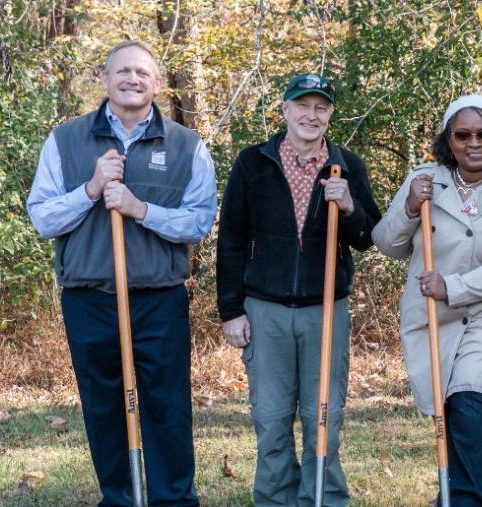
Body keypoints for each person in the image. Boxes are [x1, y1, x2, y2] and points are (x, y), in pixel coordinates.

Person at [24, 40, 216, 506]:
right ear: (104, 79)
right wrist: (90, 188)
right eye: (123, 71)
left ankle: (173, 500)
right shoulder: (65, 140)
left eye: (143, 73)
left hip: (159, 297)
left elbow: (199, 222)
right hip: (90, 297)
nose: (133, 79)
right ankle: (120, 498)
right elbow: (43, 218)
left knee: (167, 405)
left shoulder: (186, 145)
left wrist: (140, 209)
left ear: (158, 83)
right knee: (104, 404)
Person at [217, 73, 382, 506]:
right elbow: (231, 239)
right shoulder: (253, 163)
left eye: (321, 107)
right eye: (303, 105)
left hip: (324, 308)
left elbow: (369, 236)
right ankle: (275, 499)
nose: (312, 115)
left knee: (322, 416)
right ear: (285, 109)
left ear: (330, 114)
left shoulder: (347, 165)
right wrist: (231, 310)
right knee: (271, 417)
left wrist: (349, 206)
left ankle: (323, 498)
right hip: (264, 309)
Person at [373, 94, 482, 506]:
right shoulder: (424, 180)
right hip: (432, 314)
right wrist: (410, 207)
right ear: (449, 140)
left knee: (469, 397)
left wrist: (452, 286)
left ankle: (472, 500)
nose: (474, 143)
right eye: (463, 135)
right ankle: (451, 495)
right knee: (446, 406)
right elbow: (387, 244)